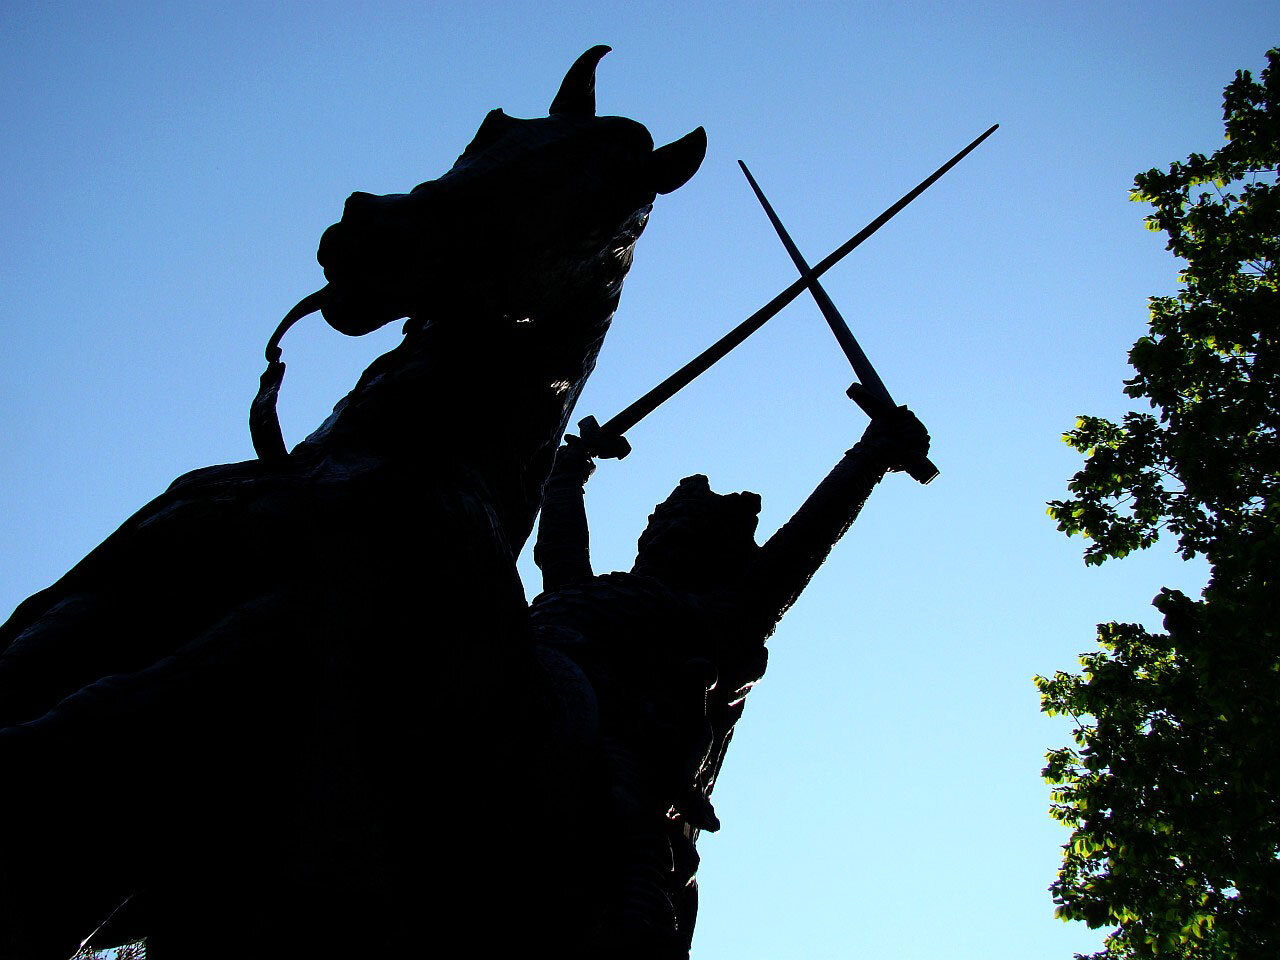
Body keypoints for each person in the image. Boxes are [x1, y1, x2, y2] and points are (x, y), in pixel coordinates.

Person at [530, 405, 930, 957]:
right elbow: (558, 541)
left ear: (720, 551)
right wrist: (571, 468)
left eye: (686, 526)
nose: (665, 532)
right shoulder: (582, 587)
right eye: (660, 522)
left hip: (616, 760)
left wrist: (871, 455)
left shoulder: (721, 613)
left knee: (616, 810)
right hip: (524, 693)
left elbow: (805, 540)